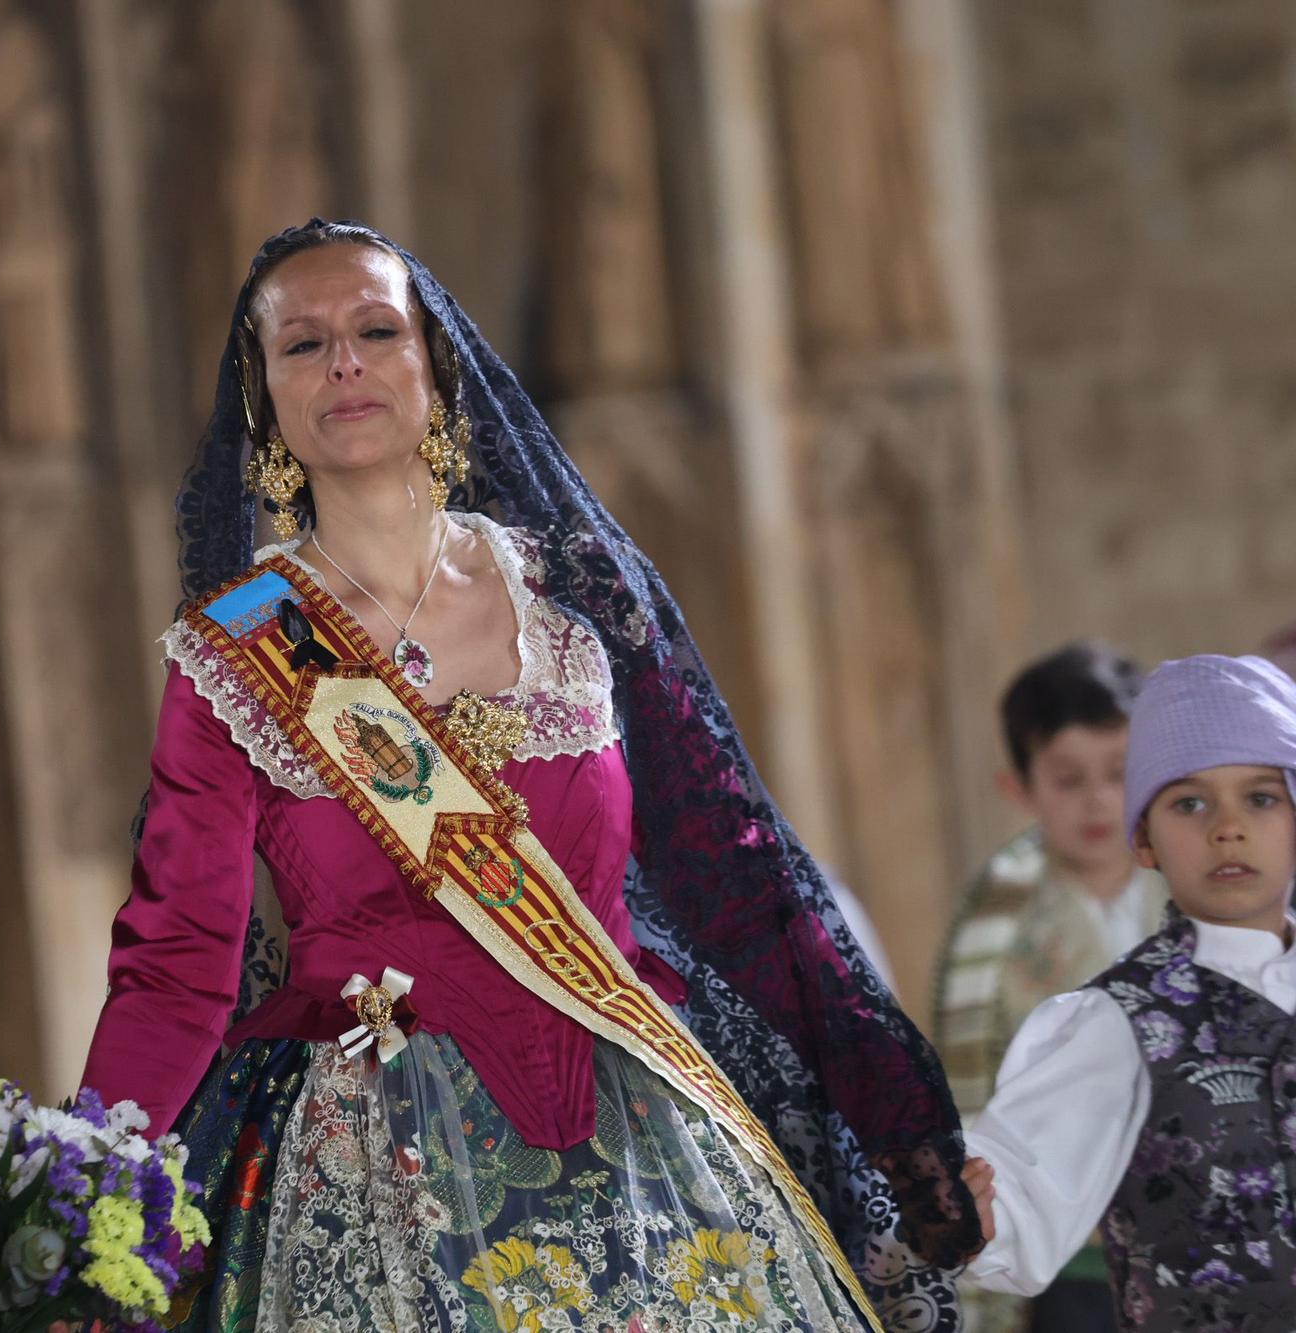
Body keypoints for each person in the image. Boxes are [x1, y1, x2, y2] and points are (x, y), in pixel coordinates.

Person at [76, 220, 982, 1331]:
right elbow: (175, 959)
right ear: (261, 402)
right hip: (377, 1162)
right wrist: (79, 1194)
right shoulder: (243, 644)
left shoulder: (574, 595)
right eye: (301, 346)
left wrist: (895, 1111)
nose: (345, 363)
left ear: (436, 366)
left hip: (641, 1134)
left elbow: (733, 867)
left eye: (375, 330)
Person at [964, 654, 1296, 1329]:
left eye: (1261, 796)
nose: (1226, 826)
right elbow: (1019, 1201)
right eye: (1189, 802)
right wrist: (962, 1209)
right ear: (1143, 835)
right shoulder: (1117, 1021)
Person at [934, 643, 1166, 1330]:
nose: (1097, 800)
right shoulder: (992, 924)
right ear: (1020, 787)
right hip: (1074, 1265)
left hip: (1197, 1235)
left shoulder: (1191, 884)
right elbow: (968, 1088)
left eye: (1119, 772)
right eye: (1068, 778)